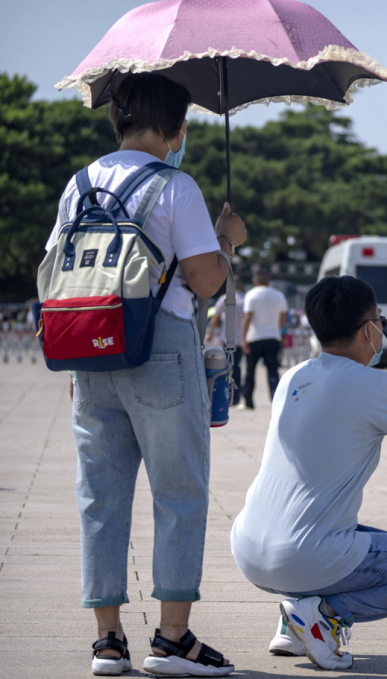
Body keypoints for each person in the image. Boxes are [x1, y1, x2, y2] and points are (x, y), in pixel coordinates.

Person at [46, 73, 244, 676]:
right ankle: (173, 639)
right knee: (179, 493)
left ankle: (108, 642)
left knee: (100, 496)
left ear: (118, 121)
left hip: (87, 348)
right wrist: (227, 242)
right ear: (176, 128)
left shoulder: (77, 185)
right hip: (159, 348)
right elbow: (207, 281)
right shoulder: (175, 185)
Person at [230, 276, 387, 671]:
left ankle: (293, 624)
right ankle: (325, 613)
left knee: (353, 532)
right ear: (370, 329)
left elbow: (345, 408)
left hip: (249, 548)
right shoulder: (372, 388)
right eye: (379, 320)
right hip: (302, 557)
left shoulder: (295, 375)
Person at [239, 271, 287, 410]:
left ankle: (248, 401)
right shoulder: (279, 295)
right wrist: (275, 329)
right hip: (273, 336)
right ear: (269, 280)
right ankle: (275, 400)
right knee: (273, 370)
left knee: (250, 371)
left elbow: (247, 318)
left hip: (255, 337)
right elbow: (283, 318)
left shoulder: (251, 294)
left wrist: (243, 338)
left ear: (255, 280)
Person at [205, 275, 245, 406]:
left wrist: (209, 333)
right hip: (242, 338)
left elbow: (215, 317)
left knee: (228, 367)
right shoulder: (246, 299)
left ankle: (229, 395)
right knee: (237, 366)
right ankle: (238, 396)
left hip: (228, 338)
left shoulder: (224, 299)